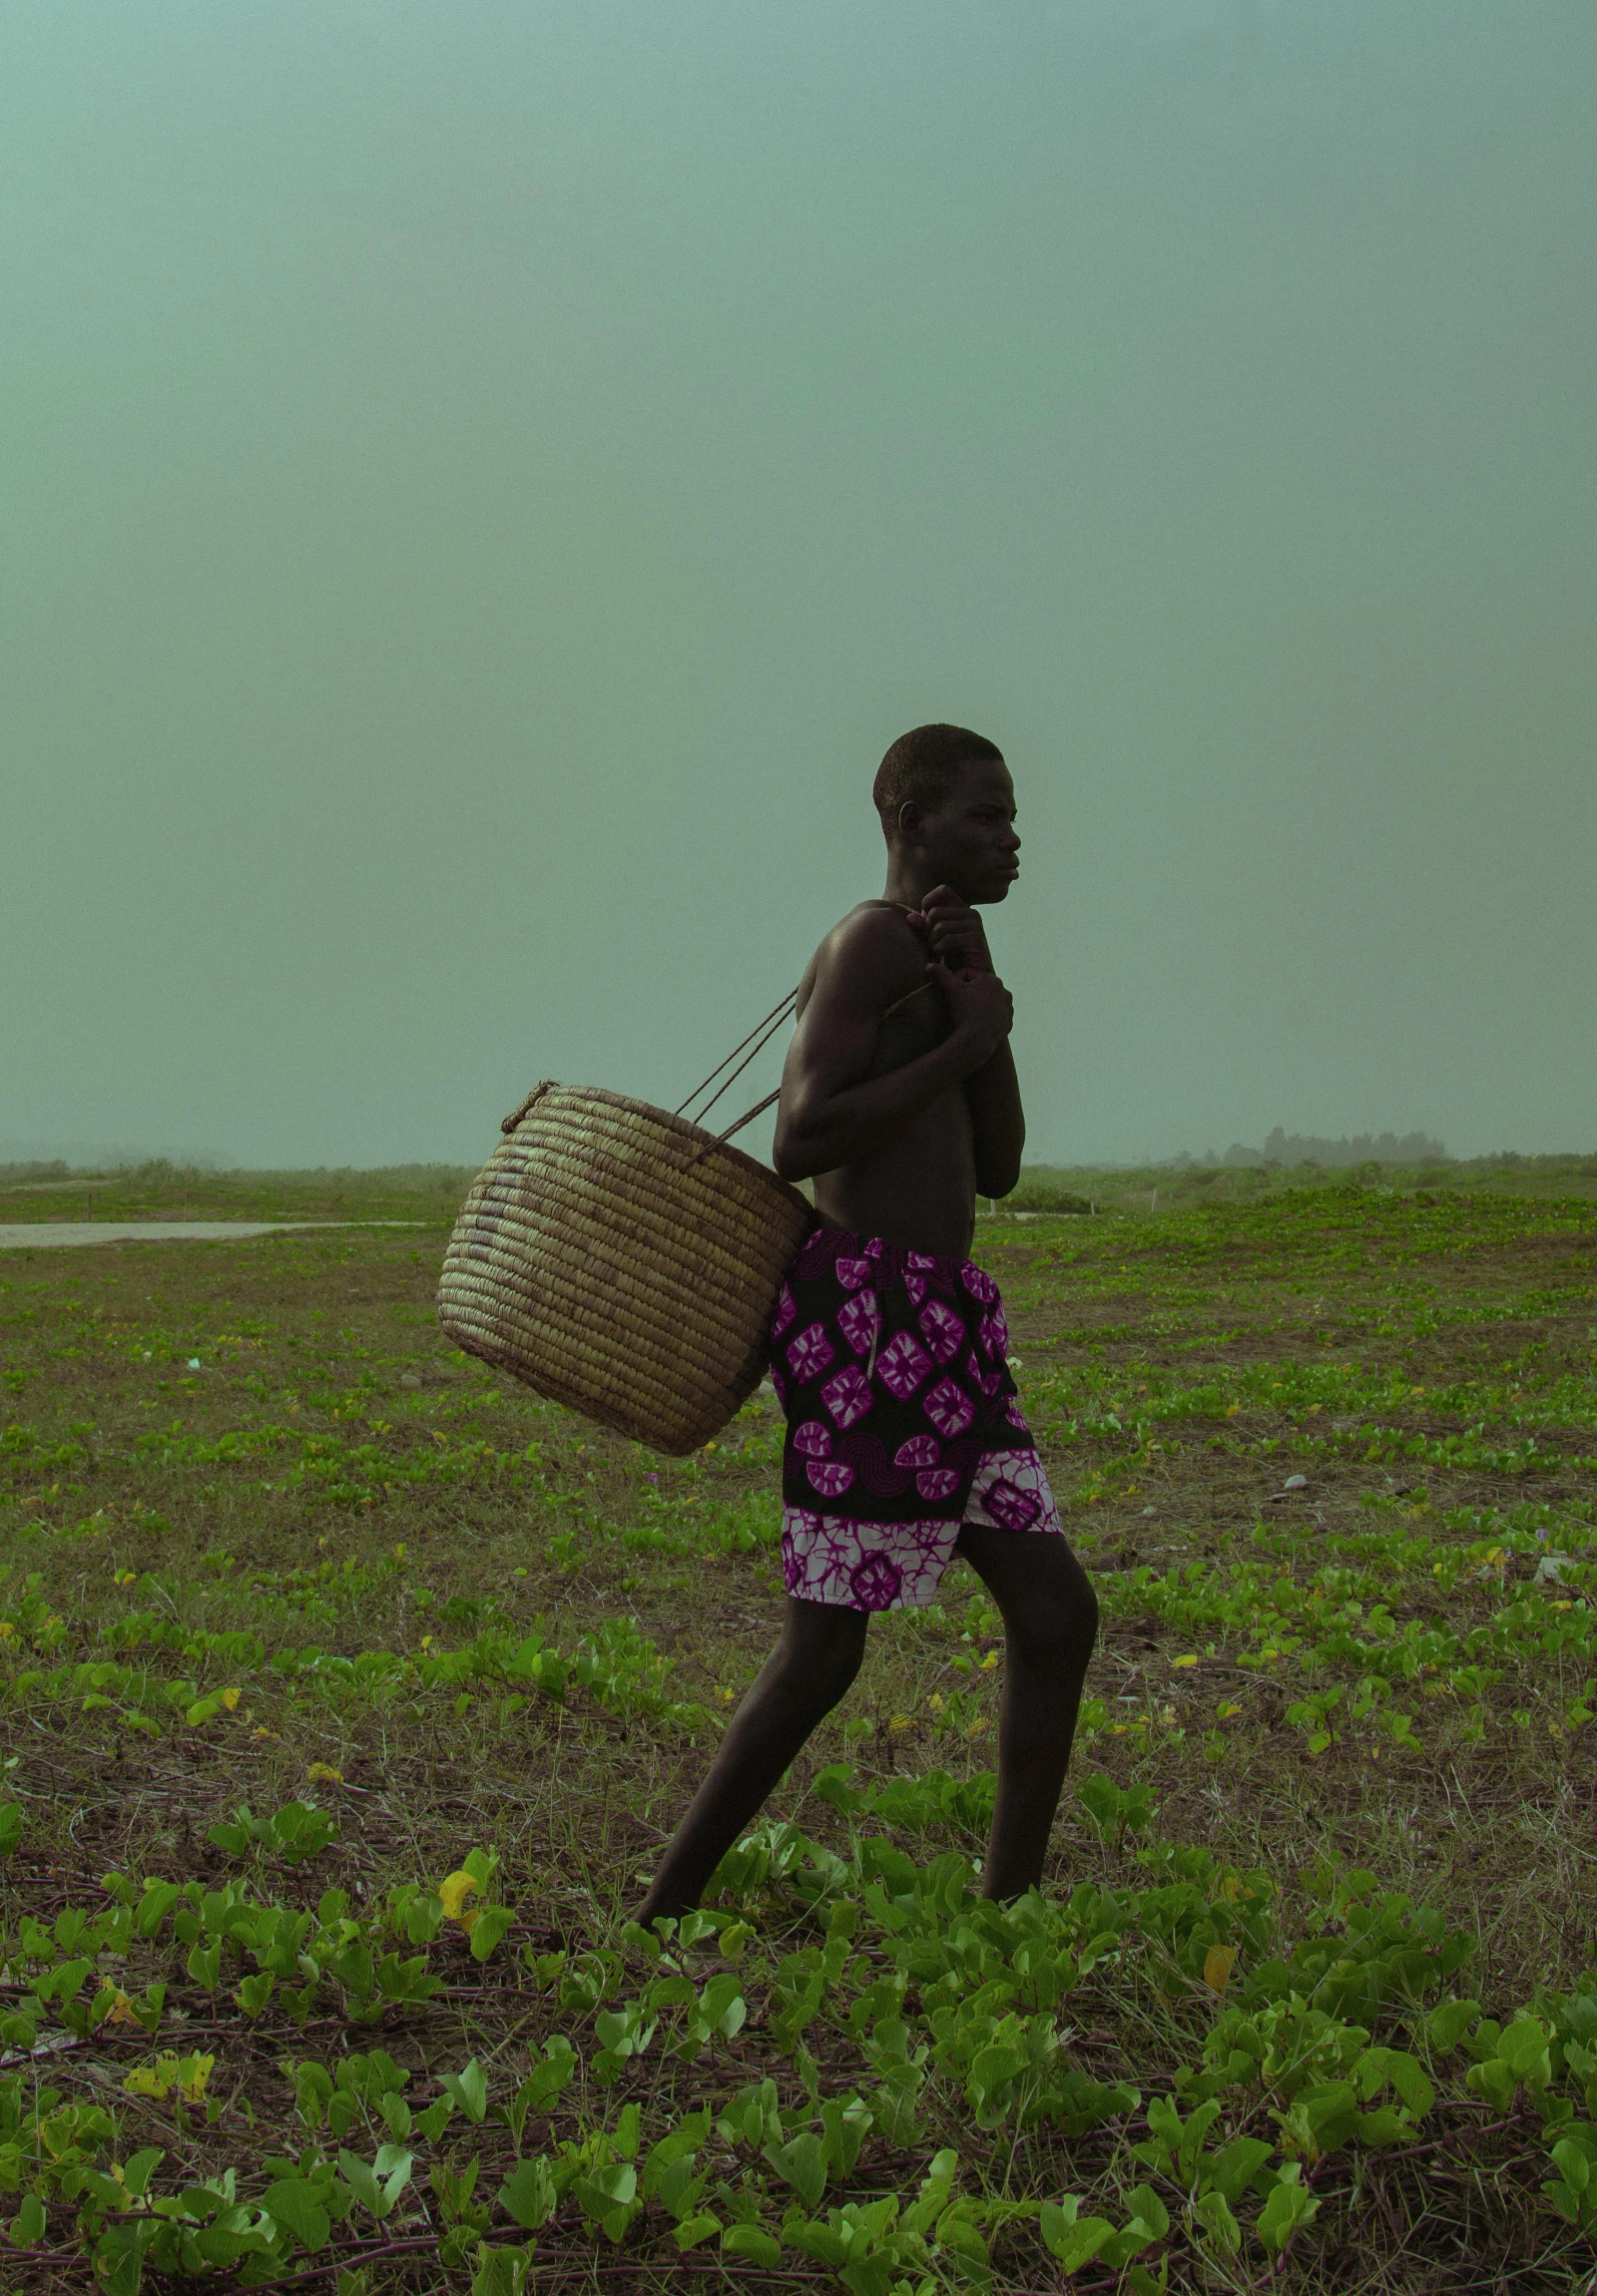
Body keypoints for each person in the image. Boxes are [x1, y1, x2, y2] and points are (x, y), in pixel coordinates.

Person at [637, 723, 1098, 1922]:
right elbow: (803, 1137)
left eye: (1010, 816)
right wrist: (962, 1038)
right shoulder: (862, 944)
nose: (1011, 838)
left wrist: (980, 1020)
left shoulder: (946, 960)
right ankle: (661, 1912)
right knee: (826, 1651)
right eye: (984, 818)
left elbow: (994, 1170)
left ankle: (1011, 1915)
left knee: (1055, 1614)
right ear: (909, 827)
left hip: (945, 1328)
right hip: (867, 1322)